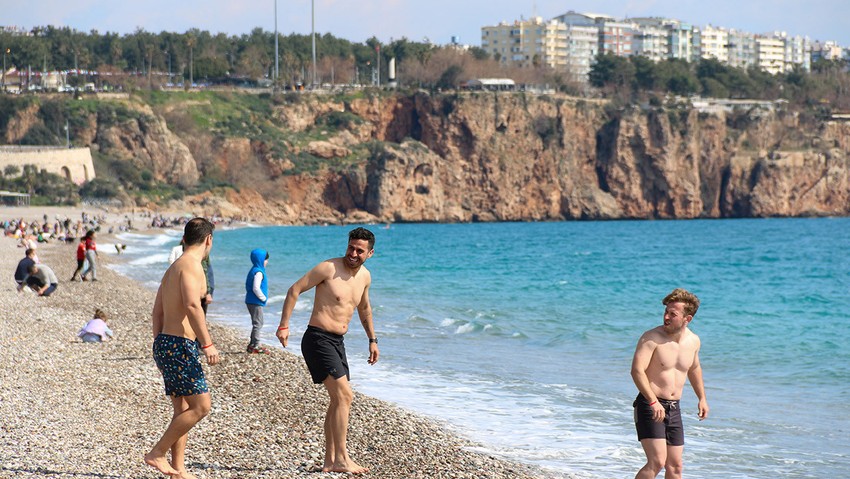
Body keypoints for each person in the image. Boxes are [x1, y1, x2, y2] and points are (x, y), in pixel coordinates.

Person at [276, 227, 380, 474]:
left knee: (338, 400)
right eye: (351, 247)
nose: (353, 253)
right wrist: (283, 325)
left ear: (370, 253)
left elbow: (364, 309)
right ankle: (342, 459)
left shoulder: (365, 277)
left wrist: (372, 340)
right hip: (317, 339)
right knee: (345, 396)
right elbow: (294, 290)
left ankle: (330, 460)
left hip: (337, 342)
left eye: (360, 250)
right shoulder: (328, 268)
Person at [144, 218, 219, 478]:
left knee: (183, 411)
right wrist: (207, 343)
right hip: (180, 345)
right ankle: (156, 453)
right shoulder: (192, 266)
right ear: (208, 240)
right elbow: (191, 305)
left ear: (185, 238)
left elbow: (157, 312)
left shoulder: (172, 268)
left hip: (166, 341)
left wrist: (160, 344)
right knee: (202, 407)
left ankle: (178, 469)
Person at [631, 288, 709, 479]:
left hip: (674, 408)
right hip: (650, 405)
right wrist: (652, 401)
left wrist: (702, 398)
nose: (666, 317)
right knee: (656, 462)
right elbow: (637, 371)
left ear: (687, 319)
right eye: (666, 312)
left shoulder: (693, 341)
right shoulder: (651, 338)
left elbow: (694, 368)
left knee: (675, 466)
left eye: (672, 314)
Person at [245, 248, 270, 354]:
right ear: (260, 260)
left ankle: (252, 344)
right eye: (265, 259)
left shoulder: (254, 269)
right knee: (258, 323)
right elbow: (256, 288)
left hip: (251, 300)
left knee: (257, 322)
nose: (267, 262)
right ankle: (256, 345)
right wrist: (263, 298)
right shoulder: (258, 272)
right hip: (255, 301)